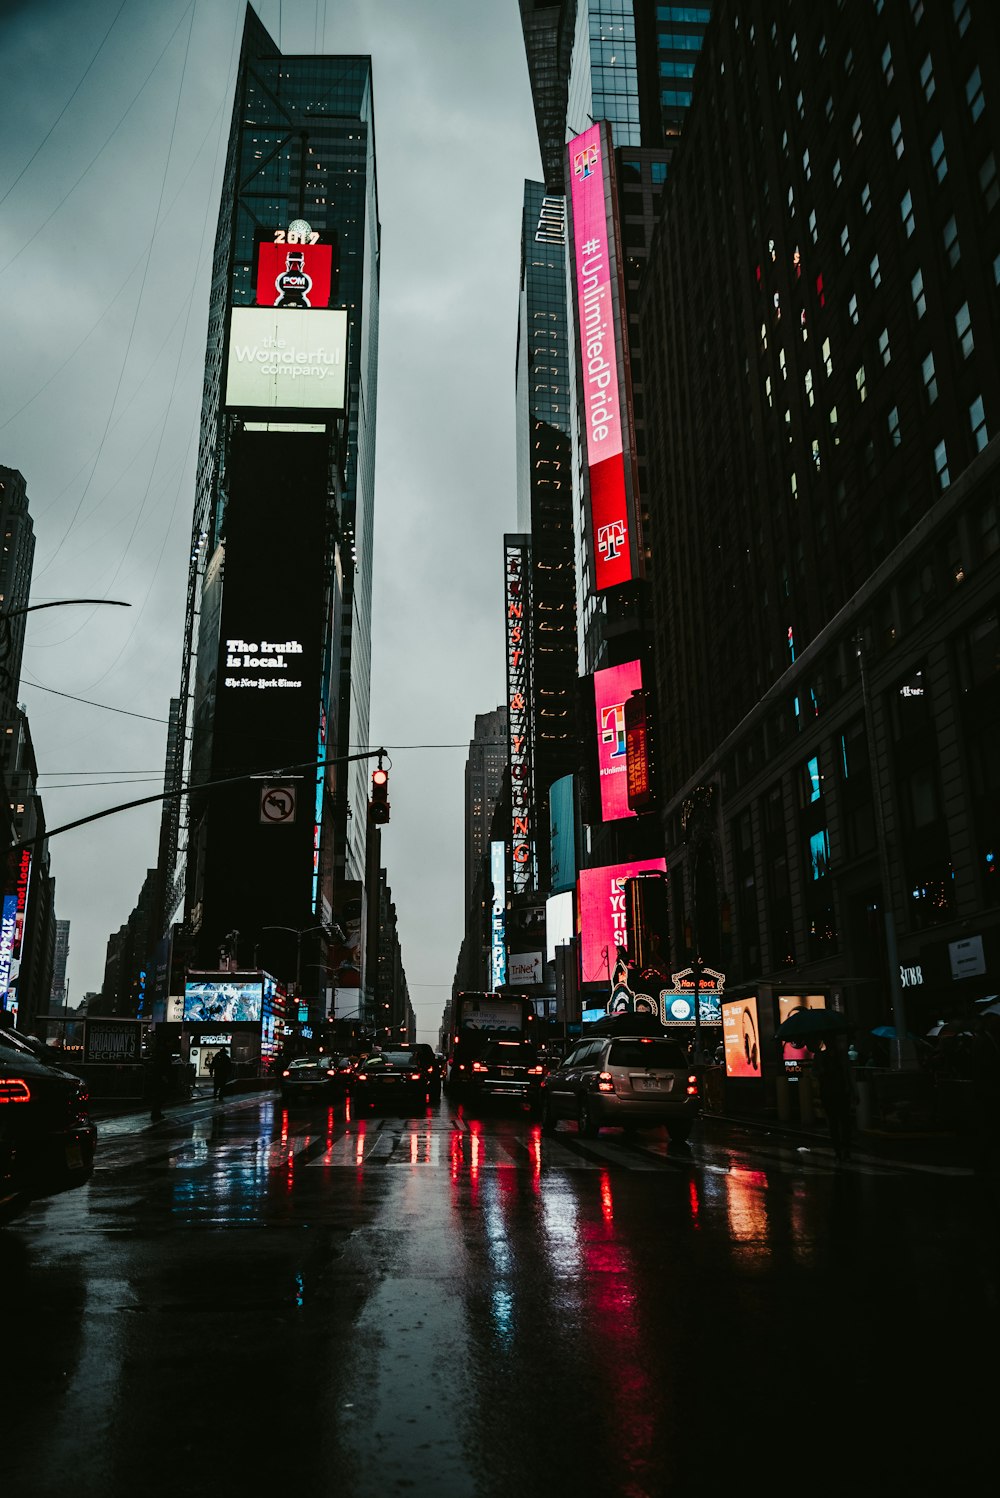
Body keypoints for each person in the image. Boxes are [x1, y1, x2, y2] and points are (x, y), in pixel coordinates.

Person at [811, 1037, 856, 1161]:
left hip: (838, 1091)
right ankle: (839, 1149)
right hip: (831, 1092)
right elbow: (814, 1072)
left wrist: (853, 1090)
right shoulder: (821, 1057)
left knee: (842, 1121)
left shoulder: (839, 1057)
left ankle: (843, 1149)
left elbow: (848, 1074)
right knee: (836, 1122)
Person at [146, 1035, 173, 1123]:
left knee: (159, 1095)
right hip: (161, 1077)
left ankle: (156, 1112)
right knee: (160, 1095)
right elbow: (162, 1065)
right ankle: (156, 1112)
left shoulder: (161, 1051)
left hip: (159, 1076)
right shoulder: (164, 1052)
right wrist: (164, 1075)